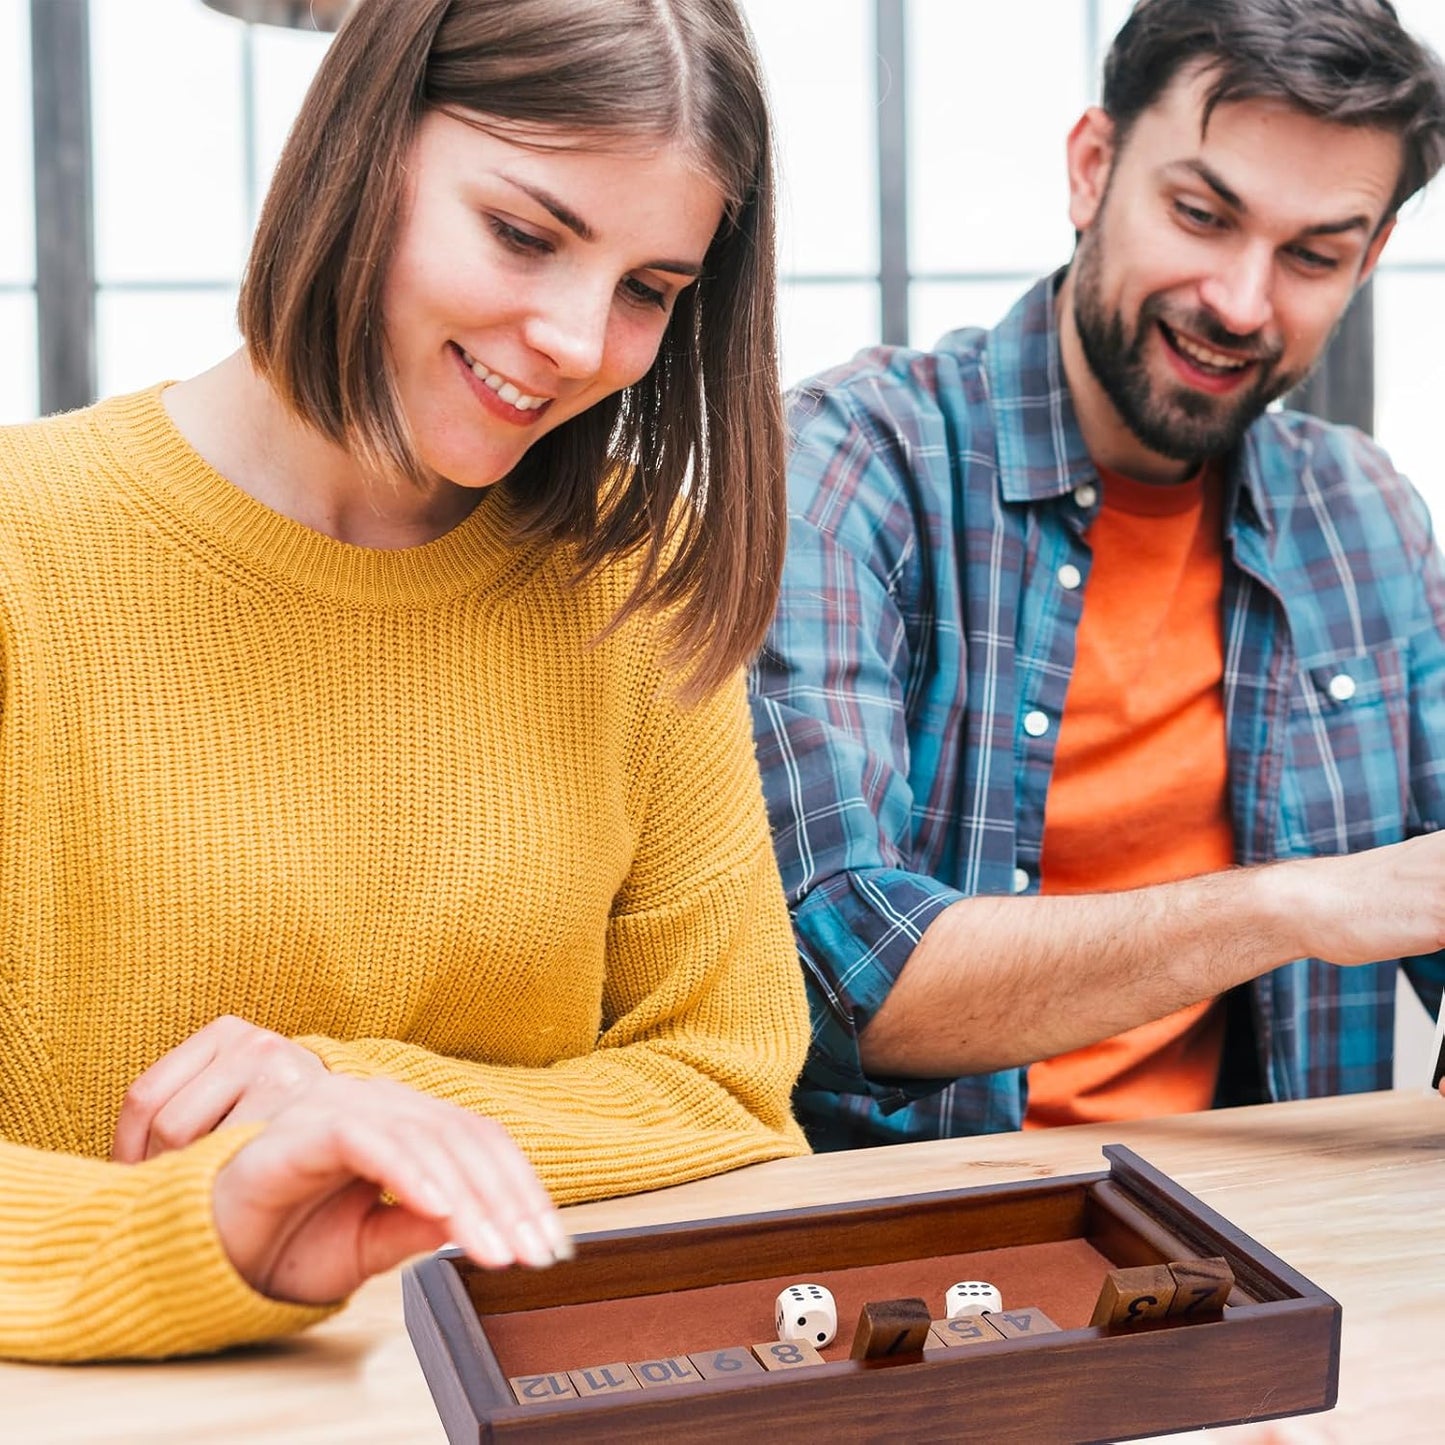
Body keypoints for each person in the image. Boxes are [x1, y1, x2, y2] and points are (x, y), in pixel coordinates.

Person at [0, 0, 809, 1361]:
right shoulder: (27, 551)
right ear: (360, 147)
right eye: (524, 233)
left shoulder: (632, 575)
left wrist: (354, 1102)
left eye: (649, 290)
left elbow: (727, 1089)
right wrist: (213, 1226)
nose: (570, 336)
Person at [749, 0, 1445, 1150]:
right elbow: (837, 975)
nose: (1237, 300)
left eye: (1312, 255)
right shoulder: (852, 459)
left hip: (1270, 1242)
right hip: (923, 1257)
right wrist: (1291, 903)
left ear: (1367, 260)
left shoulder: (1362, 514)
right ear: (1091, 168)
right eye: (1198, 213)